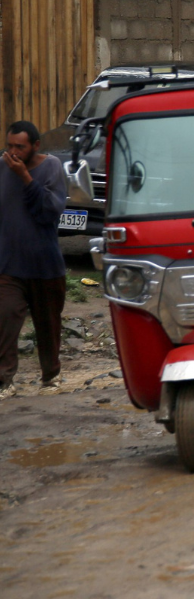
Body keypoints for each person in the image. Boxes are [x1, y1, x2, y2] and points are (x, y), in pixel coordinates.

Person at [0, 121, 68, 399]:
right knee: (5, 318)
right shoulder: (1, 168)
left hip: (45, 265)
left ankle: (50, 377)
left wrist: (26, 178)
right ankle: (5, 381)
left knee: (48, 324)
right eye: (9, 146)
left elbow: (49, 212)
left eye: (20, 146)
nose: (13, 152)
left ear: (36, 146)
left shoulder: (51, 167)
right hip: (9, 264)